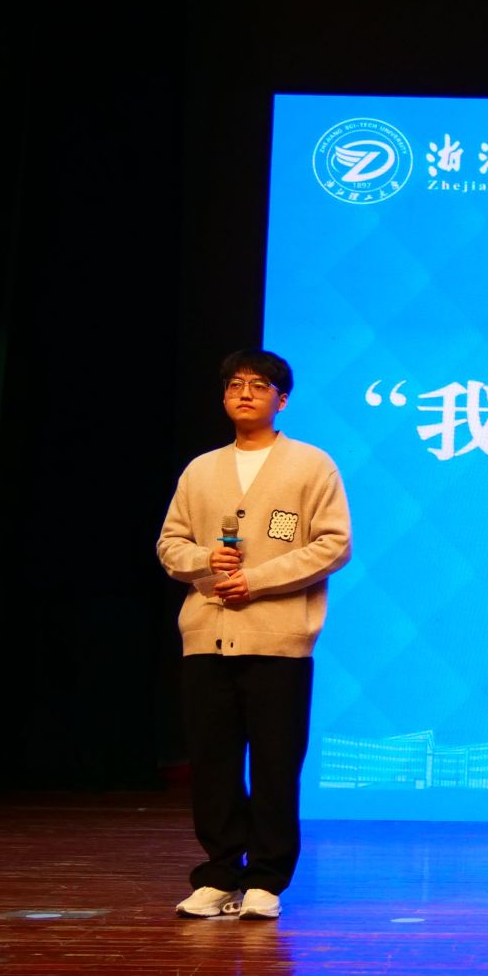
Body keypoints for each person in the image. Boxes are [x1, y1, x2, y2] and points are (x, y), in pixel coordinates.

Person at [158, 349, 352, 921]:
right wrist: (203, 561)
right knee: (213, 763)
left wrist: (257, 580)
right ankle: (219, 874)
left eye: (259, 385)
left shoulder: (311, 465)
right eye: (234, 384)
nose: (244, 393)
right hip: (206, 638)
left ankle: (266, 879)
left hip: (278, 641)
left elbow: (334, 543)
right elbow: (170, 544)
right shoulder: (200, 470)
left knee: (275, 763)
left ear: (281, 399)